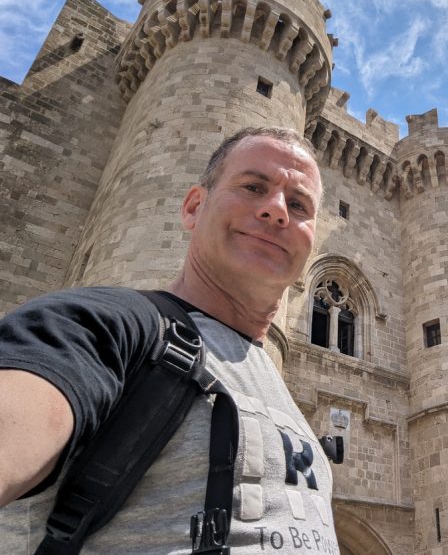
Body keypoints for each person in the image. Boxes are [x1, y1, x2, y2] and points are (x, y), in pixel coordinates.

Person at [0, 127, 340, 553]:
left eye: (298, 204)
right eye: (253, 187)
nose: (276, 212)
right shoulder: (102, 327)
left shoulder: (272, 380)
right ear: (195, 207)